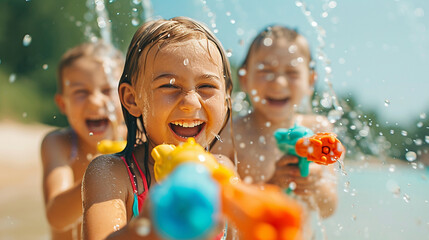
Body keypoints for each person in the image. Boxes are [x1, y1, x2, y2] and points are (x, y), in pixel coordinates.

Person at [81, 17, 234, 240]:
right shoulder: (112, 173)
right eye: (169, 86)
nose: (191, 103)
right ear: (132, 99)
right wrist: (148, 226)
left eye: (206, 86)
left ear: (226, 98)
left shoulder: (223, 171)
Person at [213, 25, 338, 220]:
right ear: (244, 79)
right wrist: (272, 185)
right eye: (265, 71)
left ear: (311, 81)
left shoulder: (319, 131)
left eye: (292, 73)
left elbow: (329, 209)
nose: (279, 83)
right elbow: (221, 208)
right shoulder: (231, 134)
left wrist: (317, 186)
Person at [41, 41, 126, 240]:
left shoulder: (138, 139)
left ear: (127, 96)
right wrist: (97, 167)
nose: (95, 101)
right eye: (81, 92)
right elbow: (56, 217)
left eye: (106, 90)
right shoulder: (60, 144)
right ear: (63, 104)